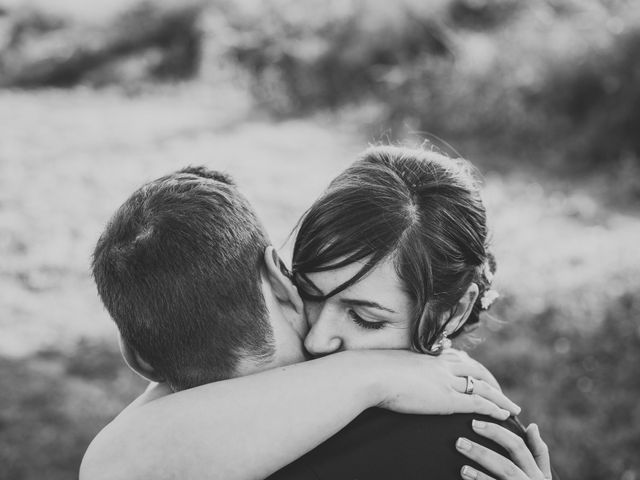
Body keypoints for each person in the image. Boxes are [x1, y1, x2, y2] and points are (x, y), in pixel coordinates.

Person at [80, 150, 551, 480]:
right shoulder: (256, 412)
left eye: (365, 318)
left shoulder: (482, 444)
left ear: (455, 310)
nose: (318, 339)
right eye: (308, 293)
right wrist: (375, 374)